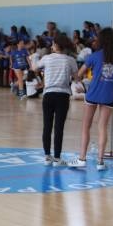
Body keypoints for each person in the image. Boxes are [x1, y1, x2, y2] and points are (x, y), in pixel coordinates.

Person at [68, 28, 113, 170]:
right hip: (109, 96)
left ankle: (82, 158)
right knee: (102, 127)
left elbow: (79, 74)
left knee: (86, 126)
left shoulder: (94, 56)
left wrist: (77, 81)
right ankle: (100, 161)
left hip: (93, 94)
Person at [34, 34, 78, 166]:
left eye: (53, 43)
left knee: (47, 126)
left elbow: (34, 68)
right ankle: (57, 158)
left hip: (48, 95)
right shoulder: (70, 60)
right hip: (63, 95)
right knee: (59, 127)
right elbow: (76, 78)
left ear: (56, 45)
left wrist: (34, 57)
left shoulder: (46, 58)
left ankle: (47, 157)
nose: (51, 46)